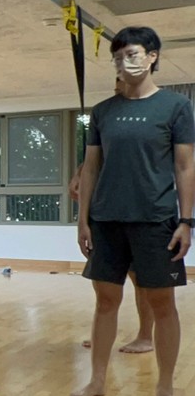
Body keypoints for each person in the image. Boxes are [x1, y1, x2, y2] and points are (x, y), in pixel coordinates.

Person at [71, 27, 195, 396]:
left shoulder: (176, 106)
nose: (125, 62)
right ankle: (97, 379)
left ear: (152, 56)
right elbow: (91, 168)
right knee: (106, 301)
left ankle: (165, 388)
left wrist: (186, 221)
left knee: (162, 304)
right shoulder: (103, 111)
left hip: (155, 220)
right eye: (119, 56)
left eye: (133, 53)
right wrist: (83, 220)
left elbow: (185, 165)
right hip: (106, 220)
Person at [70, 82, 154, 353]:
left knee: (141, 280)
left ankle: (145, 336)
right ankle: (103, 333)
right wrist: (78, 175)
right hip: (106, 216)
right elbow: (94, 159)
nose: (121, 85)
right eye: (118, 80)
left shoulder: (153, 115)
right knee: (104, 285)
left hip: (141, 213)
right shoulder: (105, 116)